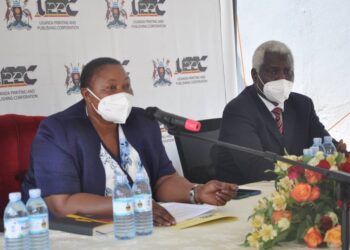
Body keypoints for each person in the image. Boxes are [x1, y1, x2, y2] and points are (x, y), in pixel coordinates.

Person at [22, 57, 237, 226]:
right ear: (87, 95)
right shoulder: (58, 131)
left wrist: (195, 192)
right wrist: (132, 205)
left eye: (126, 86)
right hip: (70, 234)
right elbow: (62, 204)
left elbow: (163, 180)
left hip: (137, 228)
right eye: (111, 88)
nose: (122, 94)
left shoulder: (142, 121)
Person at [216, 40, 347, 185]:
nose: (282, 79)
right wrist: (310, 171)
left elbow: (324, 143)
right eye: (273, 71)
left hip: (296, 191)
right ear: (255, 75)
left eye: (287, 71)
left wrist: (337, 152)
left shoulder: (303, 105)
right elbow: (257, 169)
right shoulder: (238, 110)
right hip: (247, 195)